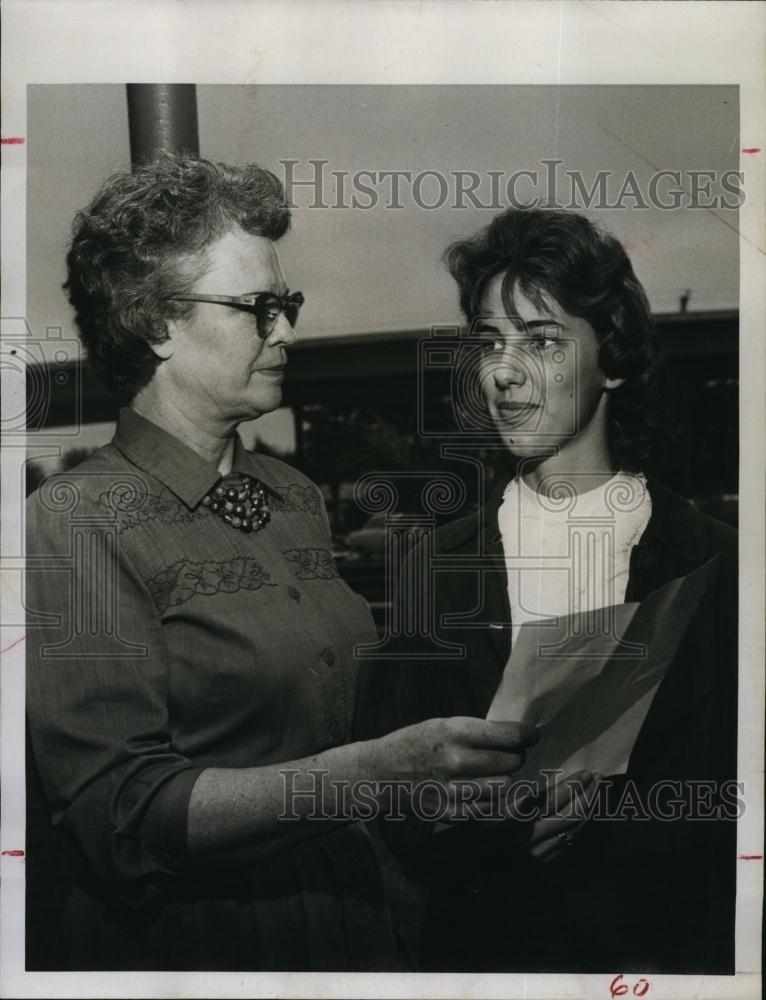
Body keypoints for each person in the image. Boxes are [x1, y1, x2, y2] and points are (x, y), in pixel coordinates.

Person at [24, 154, 539, 972]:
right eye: (258, 309)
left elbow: (345, 724)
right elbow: (121, 819)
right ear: (155, 321)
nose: (288, 332)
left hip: (355, 923)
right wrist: (370, 774)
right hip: (196, 951)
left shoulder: (293, 494)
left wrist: (456, 786)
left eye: (287, 305)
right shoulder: (74, 519)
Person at [357, 207, 738, 973]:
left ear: (615, 360)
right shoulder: (434, 568)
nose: (502, 371)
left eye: (540, 340)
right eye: (491, 342)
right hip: (490, 956)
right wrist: (471, 833)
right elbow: (388, 799)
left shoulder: (716, 564)